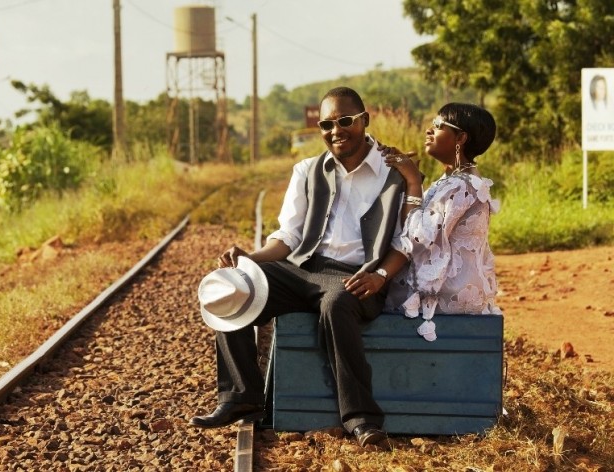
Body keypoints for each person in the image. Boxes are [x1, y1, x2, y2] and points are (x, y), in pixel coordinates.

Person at [189, 86, 407, 447]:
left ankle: (361, 419)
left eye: (345, 121)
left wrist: (380, 276)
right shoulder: (307, 170)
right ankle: (241, 397)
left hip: (357, 276)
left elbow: (406, 239)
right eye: (326, 124)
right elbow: (288, 237)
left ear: (365, 120)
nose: (335, 130)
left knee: (336, 302)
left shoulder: (394, 171)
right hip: (305, 270)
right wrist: (249, 259)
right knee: (233, 284)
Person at [382, 103, 502, 341]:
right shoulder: (455, 180)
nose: (429, 130)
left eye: (438, 126)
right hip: (457, 290)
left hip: (445, 297)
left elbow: (418, 237)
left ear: (460, 138)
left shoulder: (461, 185)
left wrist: (414, 182)